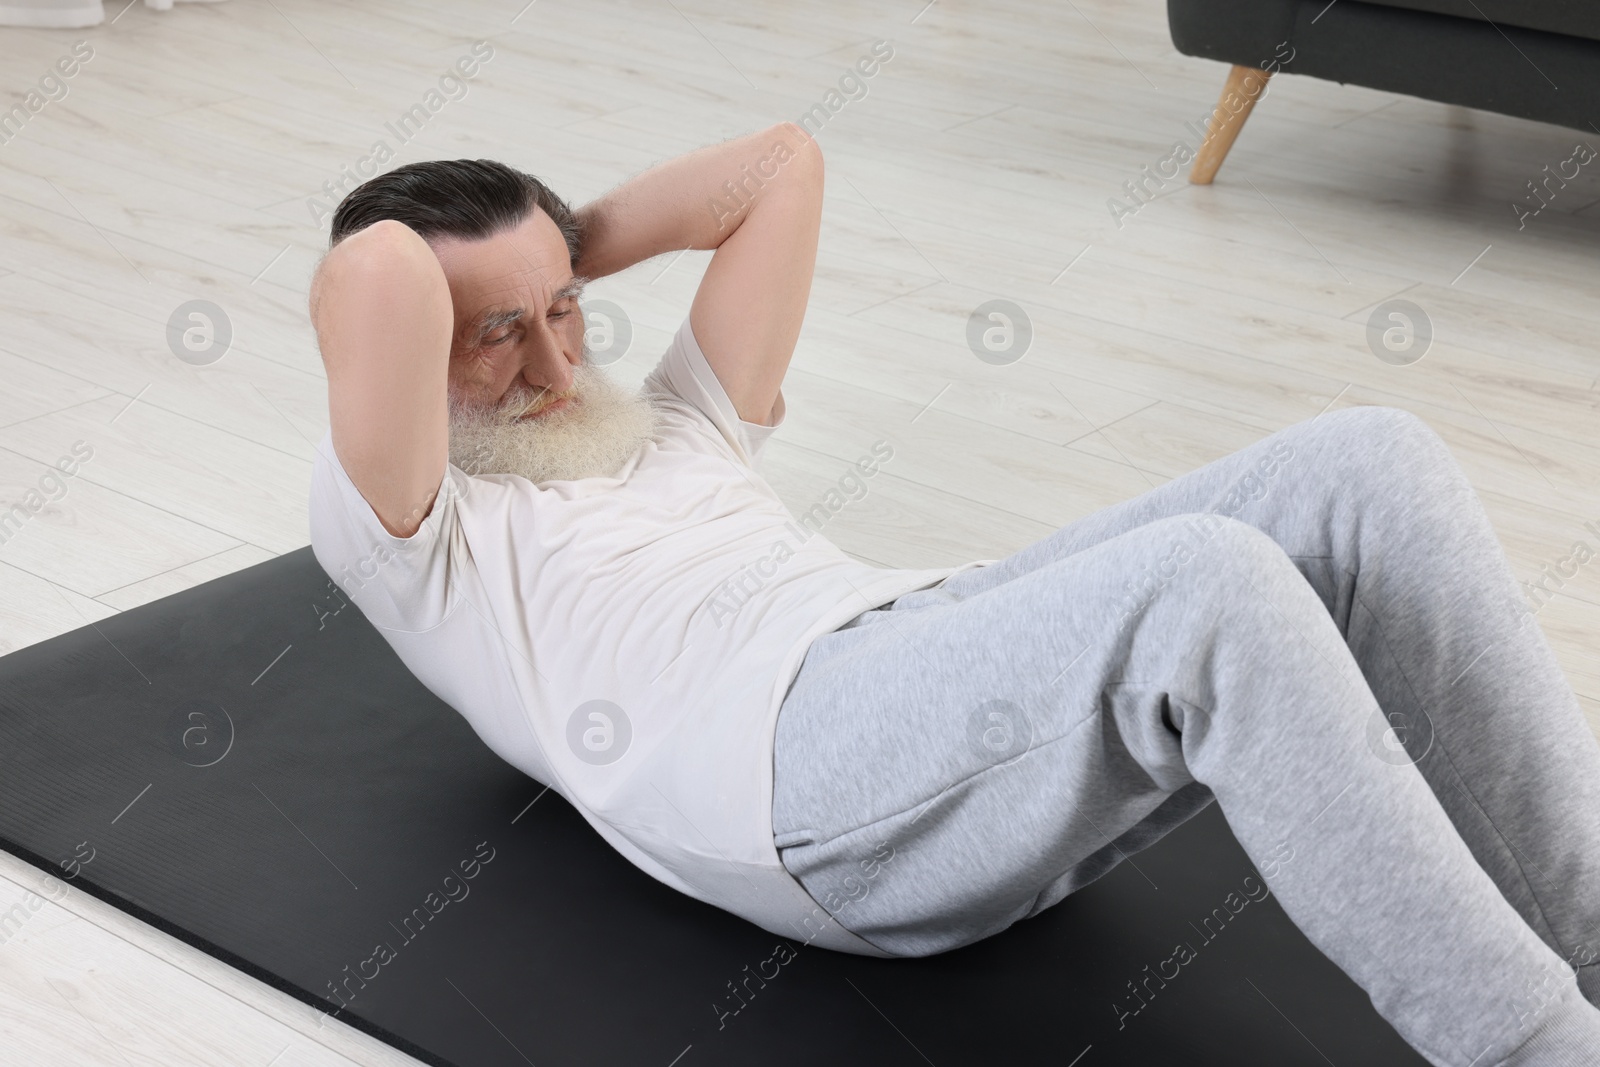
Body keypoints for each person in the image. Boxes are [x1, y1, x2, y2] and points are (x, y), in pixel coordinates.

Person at [306, 122, 1600, 1066]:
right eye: (497, 334)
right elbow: (378, 275)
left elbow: (782, 169)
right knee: (1208, 592)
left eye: (570, 312)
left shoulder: (667, 424)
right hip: (784, 770)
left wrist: (544, 254)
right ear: (410, 356)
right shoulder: (420, 527)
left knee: (1372, 461)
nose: (552, 358)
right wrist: (490, 269)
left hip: (906, 650)